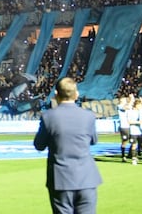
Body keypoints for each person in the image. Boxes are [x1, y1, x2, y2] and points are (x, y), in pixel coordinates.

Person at [33, 77, 103, 214]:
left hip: (61, 180)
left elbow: (39, 145)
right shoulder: (88, 116)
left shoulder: (48, 116)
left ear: (56, 95)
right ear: (76, 94)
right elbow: (94, 141)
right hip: (86, 178)